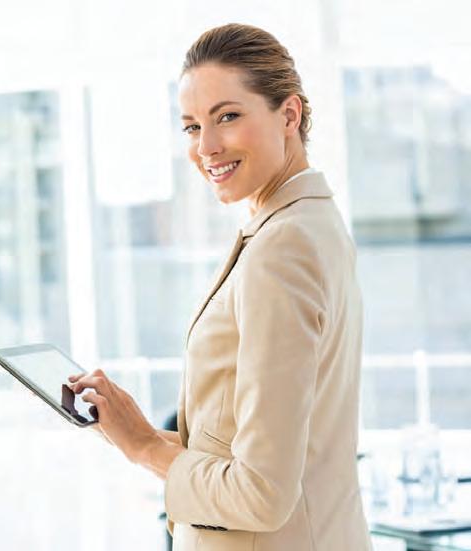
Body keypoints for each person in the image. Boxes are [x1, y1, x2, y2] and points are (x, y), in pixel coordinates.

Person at [68, 23, 372, 550]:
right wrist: (131, 428)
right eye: (191, 126)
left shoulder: (282, 247)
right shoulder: (309, 223)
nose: (206, 147)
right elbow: (263, 453)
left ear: (289, 115)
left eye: (227, 117)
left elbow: (261, 493)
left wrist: (143, 447)